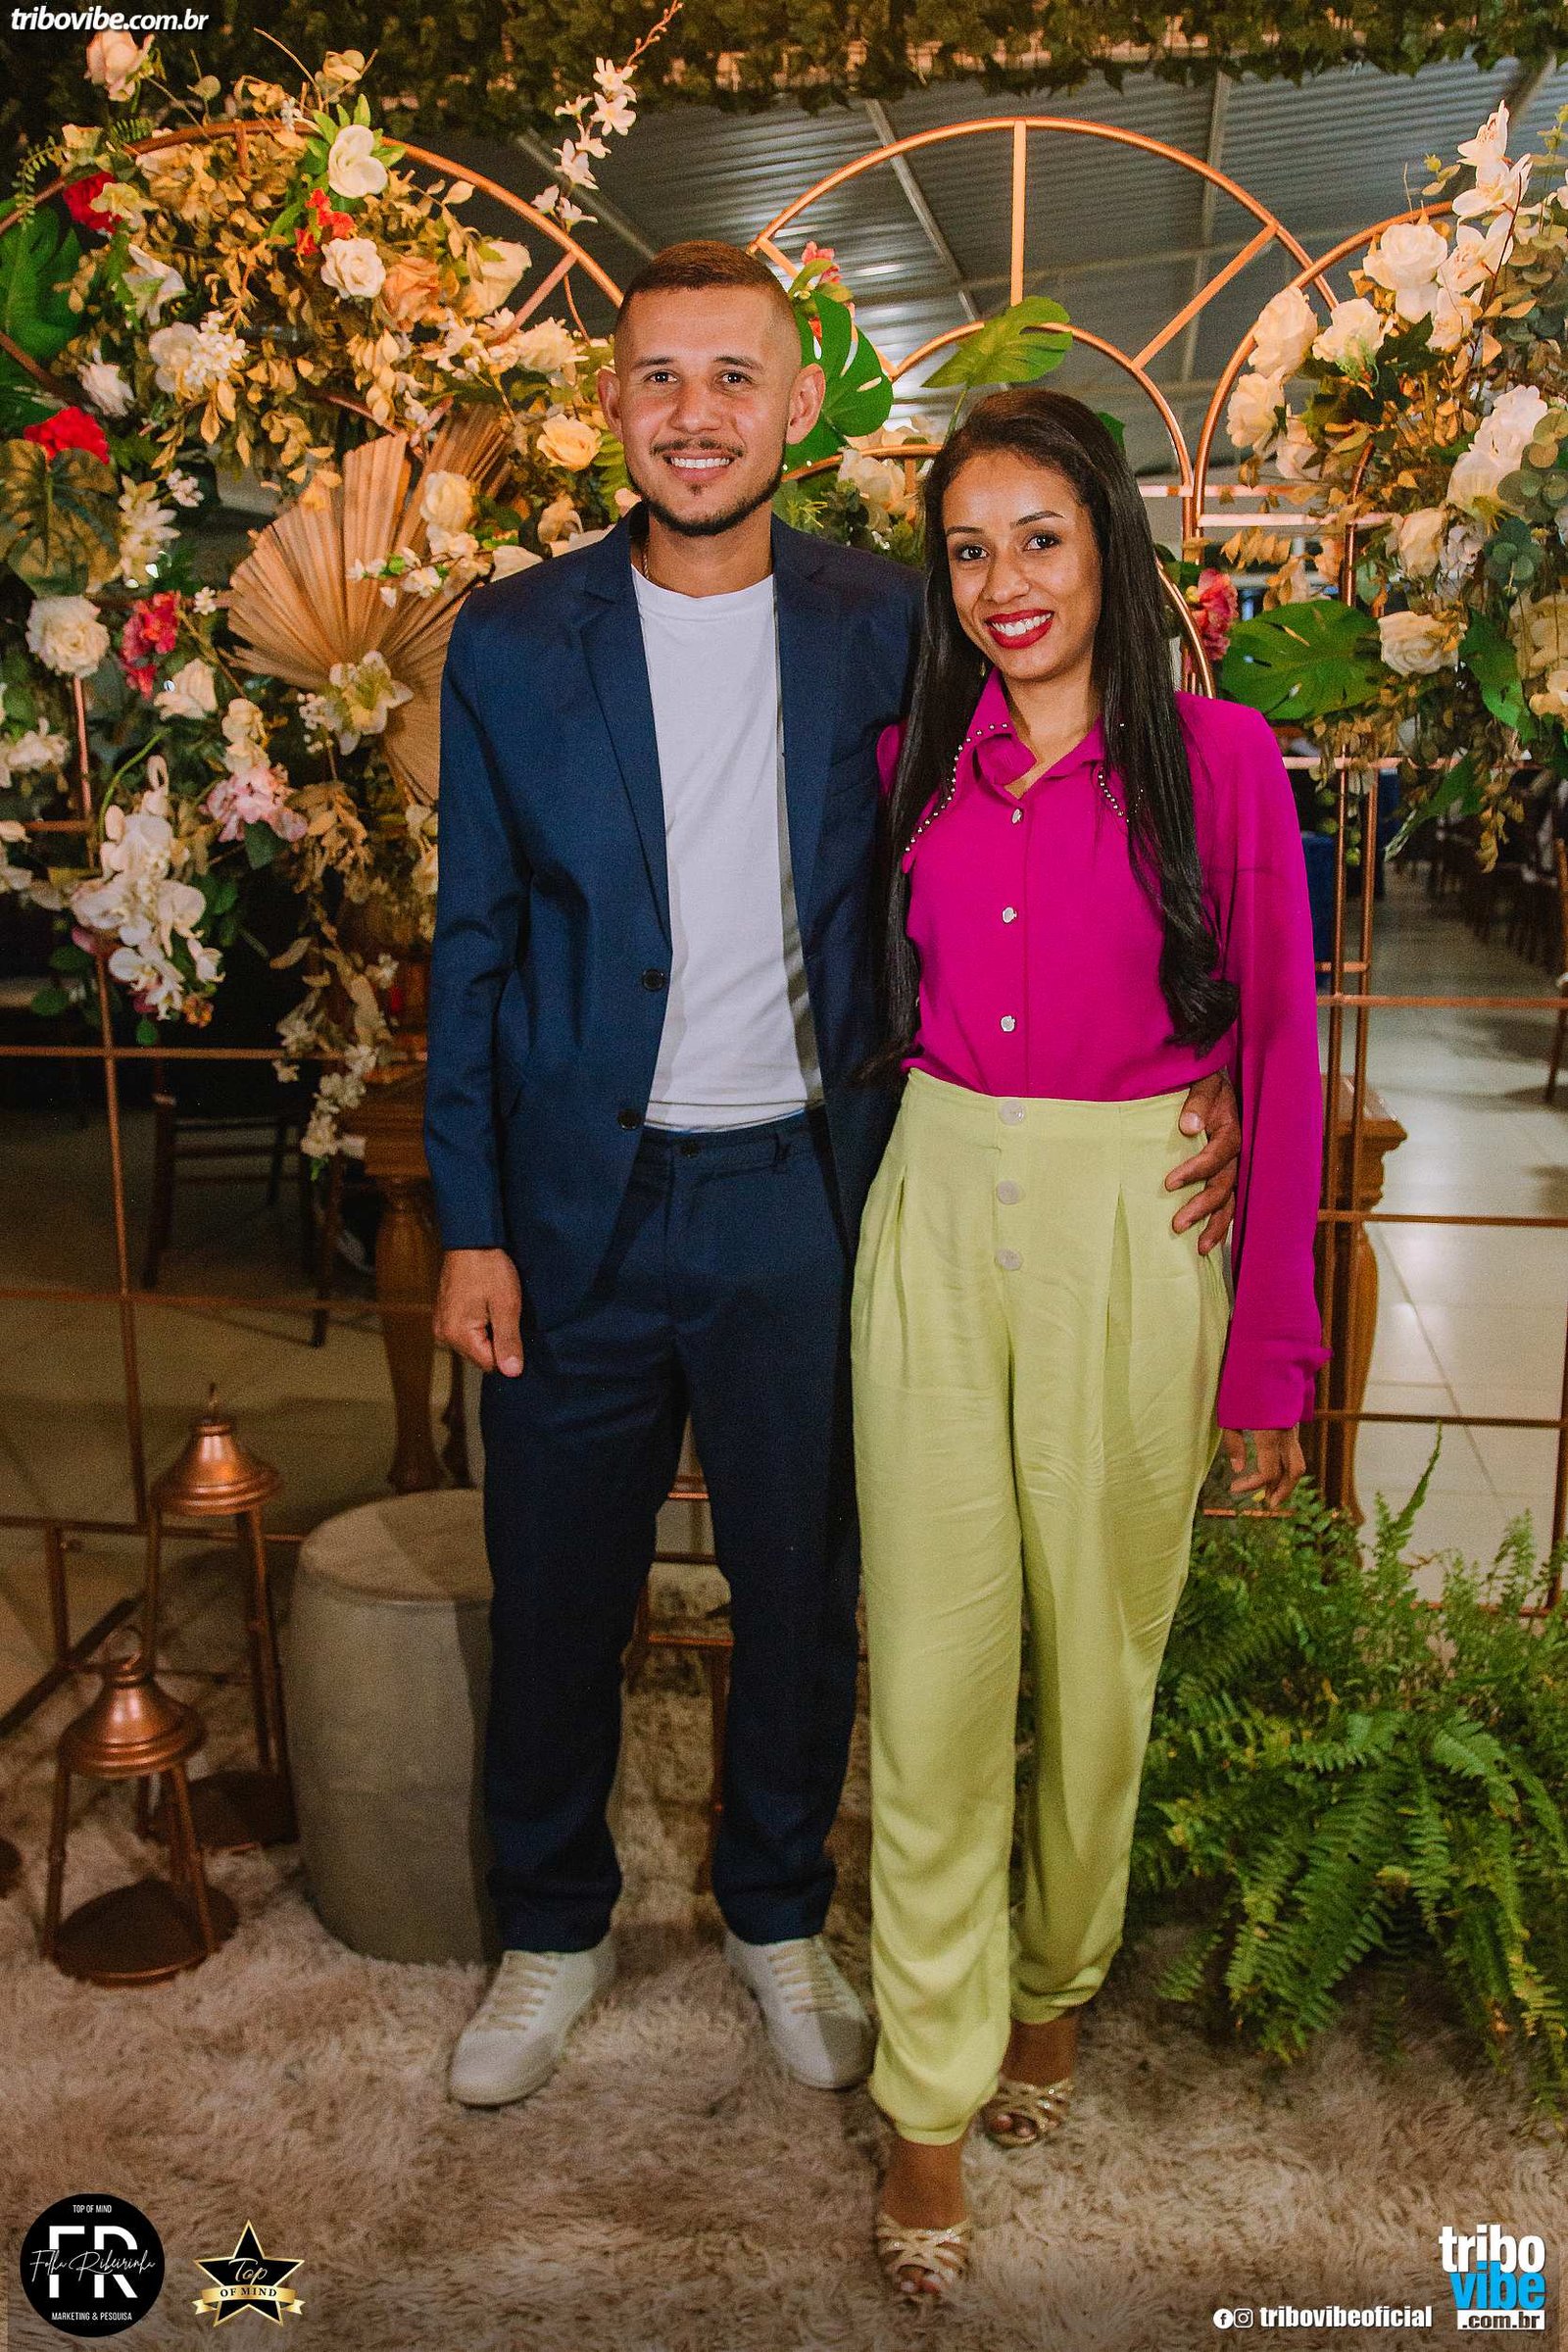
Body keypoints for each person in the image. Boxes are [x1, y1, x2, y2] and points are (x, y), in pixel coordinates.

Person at [424, 241, 1244, 2115]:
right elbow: (470, 943)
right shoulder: (515, 641)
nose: (694, 414)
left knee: (805, 1588)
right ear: (612, 404)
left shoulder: (893, 622)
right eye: (659, 376)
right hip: (572, 1207)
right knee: (554, 1584)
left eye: (735, 376)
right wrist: (470, 1219)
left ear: (800, 407)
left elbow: (1055, 821)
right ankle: (550, 1927)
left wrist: (1195, 1069)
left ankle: (778, 1911)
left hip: (814, 1193)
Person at [852, 388, 1327, 2300]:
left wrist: (1269, 1361)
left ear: (1109, 550)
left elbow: (1277, 1051)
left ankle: (1053, 1981)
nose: (1003, 584)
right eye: (968, 550)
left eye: (1038, 538)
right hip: (934, 1209)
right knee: (934, 1673)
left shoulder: (1219, 759)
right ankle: (923, 2098)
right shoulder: (910, 762)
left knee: (1101, 1665)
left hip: (1142, 1227)